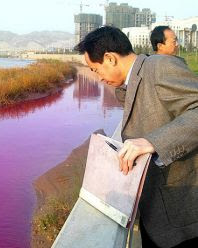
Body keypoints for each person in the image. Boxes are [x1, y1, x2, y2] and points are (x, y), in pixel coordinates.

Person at [75, 26, 198, 248]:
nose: (99, 78)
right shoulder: (131, 81)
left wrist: (153, 142)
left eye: (95, 70)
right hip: (157, 212)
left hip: (183, 215)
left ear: (110, 58)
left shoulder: (160, 67)